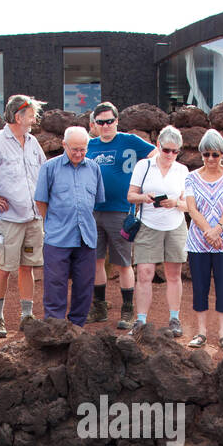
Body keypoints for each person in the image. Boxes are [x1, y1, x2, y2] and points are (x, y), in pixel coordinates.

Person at [0, 95, 46, 337]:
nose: (34, 119)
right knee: (2, 268)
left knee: (28, 267)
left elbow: (43, 174)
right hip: (7, 220)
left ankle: (26, 315)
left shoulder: (33, 142)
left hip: (33, 218)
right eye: (31, 115)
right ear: (18, 116)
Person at [86, 102, 156, 328]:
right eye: (101, 122)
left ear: (117, 121)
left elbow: (154, 155)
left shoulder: (130, 141)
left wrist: (141, 183)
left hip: (120, 211)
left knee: (124, 262)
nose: (105, 126)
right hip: (94, 211)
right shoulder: (90, 145)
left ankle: (127, 310)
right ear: (94, 124)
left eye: (109, 121)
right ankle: (99, 307)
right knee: (96, 261)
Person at [34, 126, 105, 326]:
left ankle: (77, 328)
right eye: (74, 149)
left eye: (83, 149)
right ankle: (54, 328)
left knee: (84, 284)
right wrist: (53, 223)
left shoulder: (94, 168)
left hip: (86, 236)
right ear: (64, 145)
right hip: (58, 236)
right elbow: (40, 200)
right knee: (55, 285)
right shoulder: (50, 167)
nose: (78, 153)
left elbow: (97, 200)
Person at [127, 125, 189, 337]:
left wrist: (176, 203)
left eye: (175, 151)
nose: (170, 155)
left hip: (175, 225)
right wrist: (146, 198)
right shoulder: (144, 166)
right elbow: (131, 195)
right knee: (144, 273)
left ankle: (174, 318)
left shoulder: (182, 170)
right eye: (166, 150)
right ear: (158, 146)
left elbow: (189, 204)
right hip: (148, 224)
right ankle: (141, 320)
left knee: (173, 273)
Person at [183, 129, 223, 351]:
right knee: (200, 287)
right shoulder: (191, 177)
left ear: (222, 154)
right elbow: (192, 208)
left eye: (214, 154)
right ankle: (201, 332)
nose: (210, 159)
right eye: (206, 154)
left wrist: (218, 230)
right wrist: (209, 232)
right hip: (199, 242)